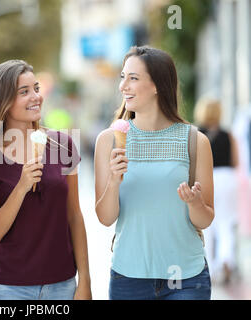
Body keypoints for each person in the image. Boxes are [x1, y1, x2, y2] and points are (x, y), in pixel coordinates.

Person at [94, 46, 214, 300]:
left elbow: (205, 220)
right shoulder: (109, 141)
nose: (123, 86)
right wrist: (114, 182)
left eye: (133, 78)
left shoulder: (195, 141)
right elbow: (105, 218)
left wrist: (194, 203)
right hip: (128, 279)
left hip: (187, 277)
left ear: (158, 85)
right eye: (122, 77)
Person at [0, 60, 91, 300]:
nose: (36, 97)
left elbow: (74, 216)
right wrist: (22, 186)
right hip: (7, 286)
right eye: (24, 92)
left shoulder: (62, 145)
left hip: (61, 284)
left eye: (36, 88)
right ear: (3, 101)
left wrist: (85, 282)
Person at [195, 98, 239, 284]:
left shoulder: (197, 134)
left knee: (208, 225)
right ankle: (226, 259)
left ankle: (210, 268)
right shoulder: (228, 134)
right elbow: (236, 161)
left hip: (207, 177)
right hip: (227, 178)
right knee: (226, 222)